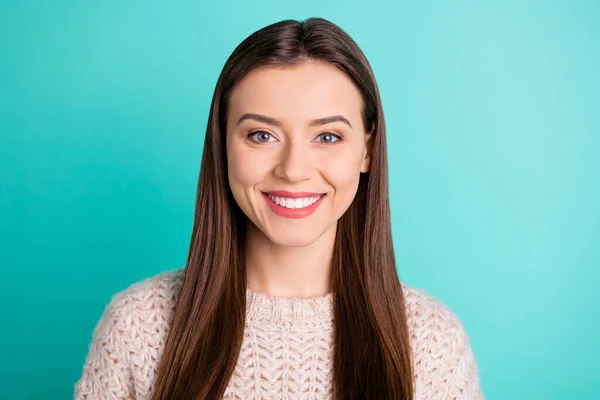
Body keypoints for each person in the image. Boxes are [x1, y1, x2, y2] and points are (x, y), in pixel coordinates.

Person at [74, 17, 483, 400]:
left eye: (327, 137)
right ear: (223, 145)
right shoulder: (138, 327)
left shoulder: (430, 343)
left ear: (367, 150)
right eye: (262, 135)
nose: (293, 170)